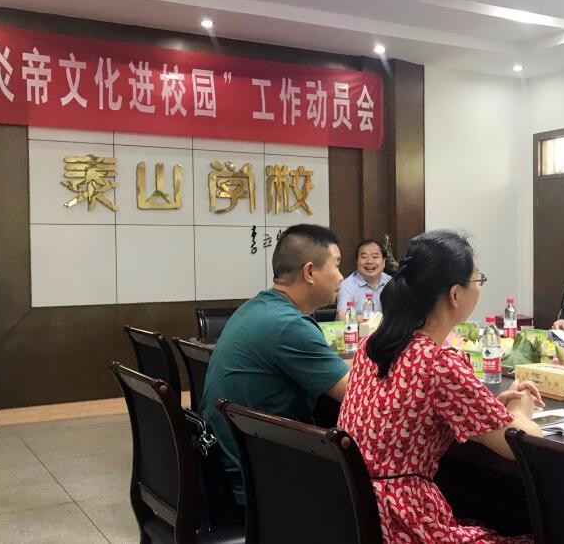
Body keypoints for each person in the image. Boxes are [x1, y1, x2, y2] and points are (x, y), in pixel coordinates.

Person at [337, 230, 543, 544]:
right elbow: (526, 443)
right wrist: (520, 408)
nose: (479, 287)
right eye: (478, 279)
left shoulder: (372, 345)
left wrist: (488, 409)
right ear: (455, 295)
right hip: (405, 522)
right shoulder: (437, 363)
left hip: (358, 513)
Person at [201, 224, 350, 502]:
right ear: (310, 272)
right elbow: (356, 394)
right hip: (261, 479)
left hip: (228, 464)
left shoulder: (257, 307)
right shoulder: (288, 325)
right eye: (337, 264)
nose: (342, 276)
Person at [336, 238, 392, 320]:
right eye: (364, 257)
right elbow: (342, 316)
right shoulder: (346, 285)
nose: (369, 261)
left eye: (375, 257)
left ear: (383, 262)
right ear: (357, 261)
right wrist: (375, 320)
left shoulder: (391, 282)